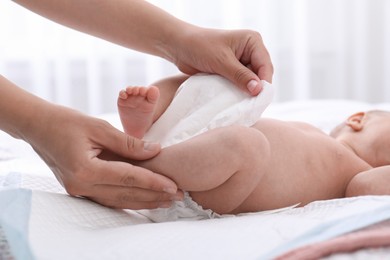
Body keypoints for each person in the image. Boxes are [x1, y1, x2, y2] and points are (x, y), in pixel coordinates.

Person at [0, 0, 274, 209]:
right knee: (241, 138)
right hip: (217, 160)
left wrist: (181, 38)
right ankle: (140, 139)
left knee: (246, 143)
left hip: (217, 175)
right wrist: (33, 121)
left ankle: (131, 160)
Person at [112, 74, 390, 217]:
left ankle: (131, 162)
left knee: (247, 145)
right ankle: (150, 123)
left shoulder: (360, 174)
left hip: (213, 189)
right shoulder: (315, 135)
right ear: (357, 120)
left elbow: (365, 189)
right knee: (214, 83)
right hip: (200, 147)